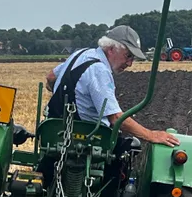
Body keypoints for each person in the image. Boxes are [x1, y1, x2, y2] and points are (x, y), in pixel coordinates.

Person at [44, 25, 179, 147]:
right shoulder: (100, 70)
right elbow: (115, 118)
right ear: (111, 49)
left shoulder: (83, 53)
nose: (130, 63)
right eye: (128, 56)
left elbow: (51, 77)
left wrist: (64, 95)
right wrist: (151, 135)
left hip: (53, 131)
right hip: (89, 139)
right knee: (132, 146)